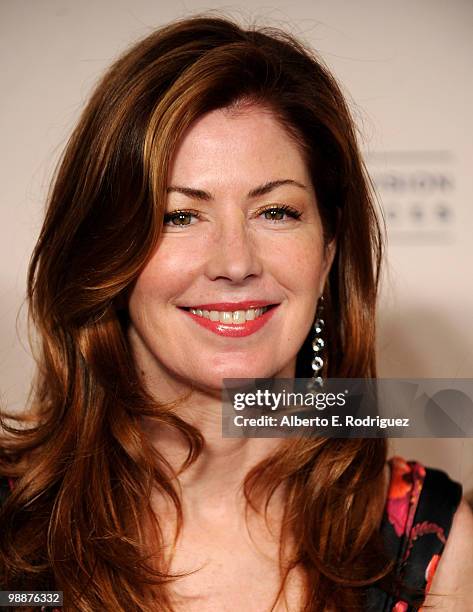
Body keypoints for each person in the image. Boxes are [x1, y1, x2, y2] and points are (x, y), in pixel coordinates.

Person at [0, 15, 472, 612]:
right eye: (180, 216)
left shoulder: (426, 544)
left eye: (275, 212)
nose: (235, 262)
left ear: (327, 252)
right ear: (107, 254)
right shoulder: (12, 533)